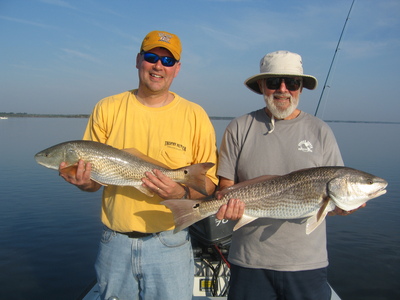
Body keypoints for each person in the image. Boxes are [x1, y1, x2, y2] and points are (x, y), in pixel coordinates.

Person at [59, 30, 218, 300]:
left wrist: (179, 194)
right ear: (138, 60)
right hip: (114, 244)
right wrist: (85, 182)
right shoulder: (107, 108)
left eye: (168, 61)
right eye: (152, 57)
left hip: (170, 243)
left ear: (177, 69)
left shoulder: (195, 115)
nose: (158, 66)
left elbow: (210, 185)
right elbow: (95, 181)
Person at [215, 50, 364, 300]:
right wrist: (227, 205)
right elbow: (225, 186)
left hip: (307, 264)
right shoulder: (238, 127)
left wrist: (342, 206)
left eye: (292, 82)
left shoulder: (321, 131)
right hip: (249, 262)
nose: (283, 89)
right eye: (274, 82)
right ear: (262, 85)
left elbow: (335, 196)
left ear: (301, 87)